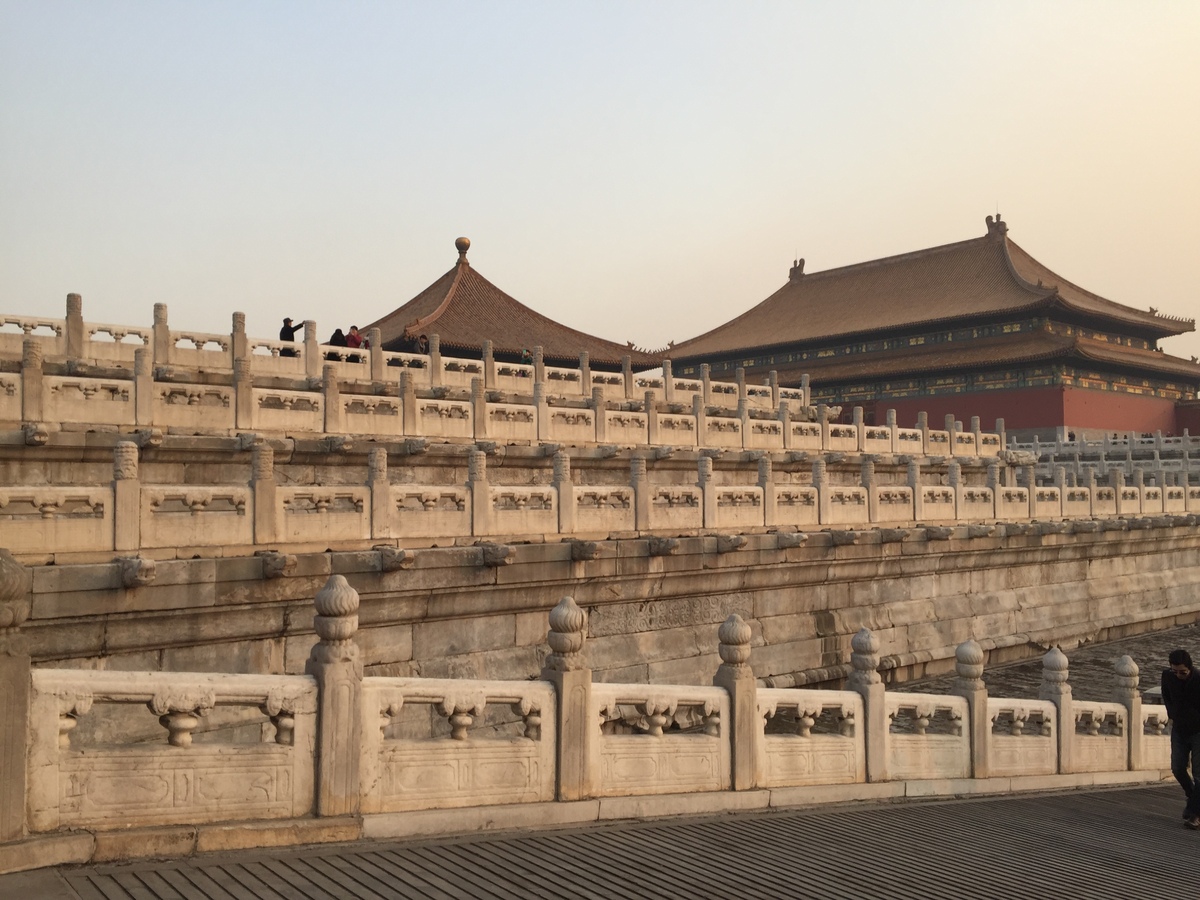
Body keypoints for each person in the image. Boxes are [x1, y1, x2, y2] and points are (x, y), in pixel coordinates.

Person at [1162, 649, 1200, 828]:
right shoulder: (1168, 677)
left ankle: (1195, 814)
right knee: (1177, 768)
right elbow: (1167, 696)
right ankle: (1193, 797)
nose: (1178, 675)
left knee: (1199, 774)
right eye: (1175, 671)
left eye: (1182, 672)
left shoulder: (1199, 679)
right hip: (1179, 729)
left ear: (1190, 668)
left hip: (1199, 730)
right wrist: (1172, 714)